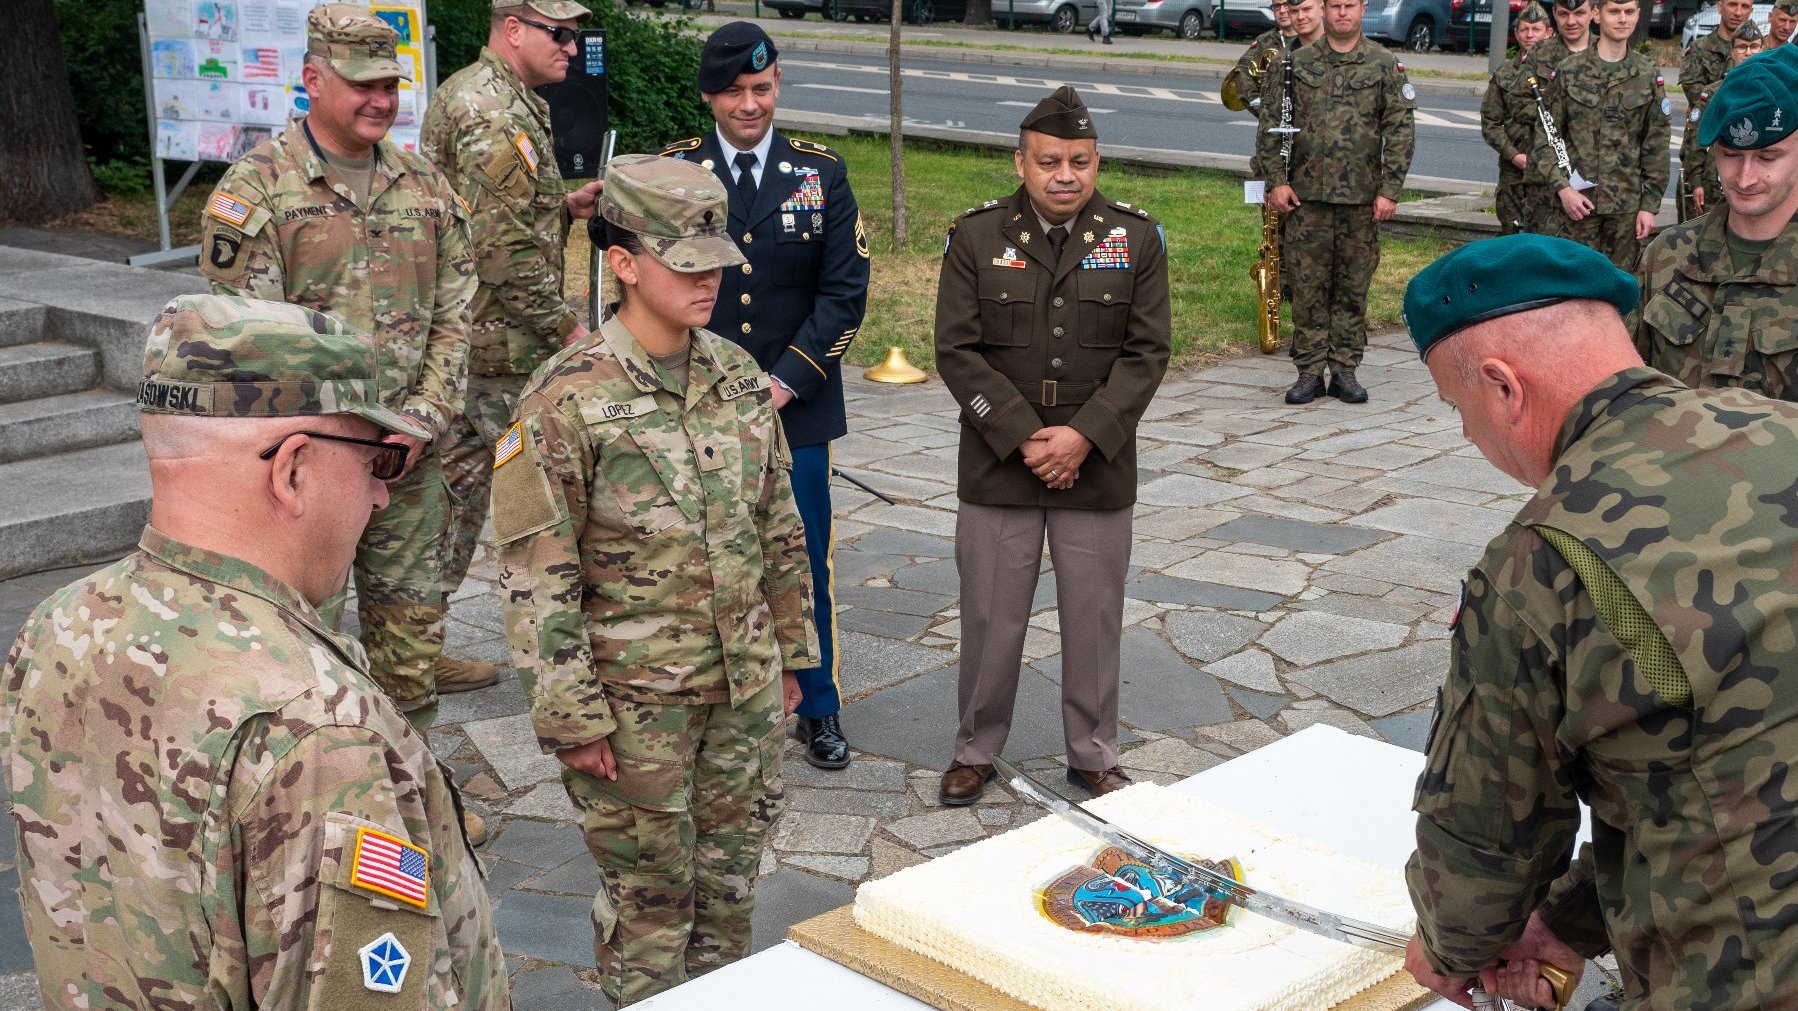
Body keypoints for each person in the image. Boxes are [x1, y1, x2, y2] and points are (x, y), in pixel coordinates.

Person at [1, 294, 505, 1011]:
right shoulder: (317, 729)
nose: (382, 497)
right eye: (377, 461)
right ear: (293, 468)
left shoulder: (55, 626)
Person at [1400, 231, 1798, 1009]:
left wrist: (1451, 949)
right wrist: (1568, 920)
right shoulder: (1785, 427)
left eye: (1459, 411)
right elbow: (1698, 764)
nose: (1467, 435)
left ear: (1502, 387)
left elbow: (1485, 846)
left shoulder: (1538, 563)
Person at [494, 154, 816, 1006]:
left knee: (729, 892)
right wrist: (571, 719)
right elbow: (536, 572)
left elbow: (779, 529)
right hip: (634, 708)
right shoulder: (563, 397)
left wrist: (792, 657)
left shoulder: (738, 375)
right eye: (686, 260)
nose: (708, 277)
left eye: (716, 258)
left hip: (740, 689)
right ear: (624, 262)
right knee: (650, 907)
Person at [198, 4, 479, 731]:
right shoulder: (256, 191)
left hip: (408, 464)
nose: (380, 100)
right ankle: (309, 808)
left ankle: (414, 806)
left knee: (410, 653)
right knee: (301, 647)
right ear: (312, 80)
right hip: (305, 475)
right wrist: (327, 446)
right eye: (362, 84)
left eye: (390, 84)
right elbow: (246, 347)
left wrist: (421, 419)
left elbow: (456, 316)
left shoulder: (429, 188)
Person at [933, 87, 1170, 807]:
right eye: (1048, 162)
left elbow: (1147, 353)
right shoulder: (976, 237)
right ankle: (975, 748)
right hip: (1000, 464)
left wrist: (1083, 436)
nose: (1064, 175)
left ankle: (1092, 753)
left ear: (1097, 162)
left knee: (1094, 617)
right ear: (1021, 162)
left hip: (1095, 467)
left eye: (1078, 161)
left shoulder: (1136, 238)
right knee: (989, 615)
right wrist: (1023, 435)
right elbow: (956, 349)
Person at [657, 22, 870, 771]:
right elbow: (635, 264)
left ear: (777, 85)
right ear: (709, 95)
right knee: (687, 554)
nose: (750, 104)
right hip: (693, 400)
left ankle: (818, 705)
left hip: (797, 405)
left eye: (763, 88)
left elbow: (845, 294)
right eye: (735, 91)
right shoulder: (675, 172)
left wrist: (783, 382)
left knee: (802, 554)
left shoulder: (822, 173)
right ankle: (699, 703)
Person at [420, 0, 606, 691]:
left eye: (575, 35)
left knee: (455, 499)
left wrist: (562, 207)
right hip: (497, 353)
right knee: (539, 508)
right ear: (514, 29)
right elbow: (498, 250)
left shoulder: (496, 96)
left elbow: (482, 217)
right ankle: (559, 664)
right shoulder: (493, 111)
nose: (572, 47)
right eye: (559, 34)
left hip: (481, 344)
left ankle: (414, 648)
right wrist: (568, 329)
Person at [1259, 0, 1416, 404]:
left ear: (1363, 9)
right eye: (1335, 6)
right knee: (1307, 286)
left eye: (1350, 5)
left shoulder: (1384, 64)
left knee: (1352, 286)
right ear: (1325, 11)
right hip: (1305, 199)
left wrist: (1389, 190)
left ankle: (1345, 368)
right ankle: (1309, 371)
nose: (1342, 13)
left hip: (1361, 201)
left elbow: (1399, 130)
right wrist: (1277, 181)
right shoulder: (1295, 62)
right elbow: (1271, 126)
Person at [1636, 44, 1798, 398]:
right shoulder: (1667, 256)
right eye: (1730, 155)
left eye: (1768, 157)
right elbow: (1626, 389)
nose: (1744, 178)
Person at [1534, 0, 1669, 270]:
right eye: (1614, 11)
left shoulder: (1647, 73)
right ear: (1597, 14)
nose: (1622, 19)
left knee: (1619, 290)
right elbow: (1546, 137)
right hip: (1577, 208)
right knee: (1572, 288)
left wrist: (1649, 206)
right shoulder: (1570, 71)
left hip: (1625, 210)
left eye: (1629, 12)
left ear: (1638, 16)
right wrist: (1563, 189)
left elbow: (1656, 145)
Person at [1480, 2, 1557, 234]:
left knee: (1545, 238)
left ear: (1549, 33)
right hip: (1514, 173)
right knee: (1510, 235)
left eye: (1536, 29)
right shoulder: (1504, 75)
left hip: (1550, 173)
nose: (1530, 35)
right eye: (1524, 29)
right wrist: (1514, 156)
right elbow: (1490, 123)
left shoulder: (1561, 72)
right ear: (1516, 33)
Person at [1680, 18, 1765, 219]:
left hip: (1756, 184)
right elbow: (1696, 138)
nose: (1748, 52)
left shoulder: (1771, 94)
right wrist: (1696, 181)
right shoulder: (1713, 94)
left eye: (1754, 47)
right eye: (1742, 47)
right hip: (1713, 185)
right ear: (1732, 51)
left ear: (1763, 49)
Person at [1223, 0, 1295, 125]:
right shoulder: (1263, 41)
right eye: (1277, 6)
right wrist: (1265, 112)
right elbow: (1241, 74)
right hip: (1272, 133)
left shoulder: (1313, 37)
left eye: (1286, 5)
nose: (1282, 11)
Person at [1528, 0, 1594, 69]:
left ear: (1593, 12)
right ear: (1554, 13)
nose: (1571, 22)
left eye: (1579, 13)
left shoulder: (1604, 51)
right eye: (1563, 14)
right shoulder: (1538, 52)